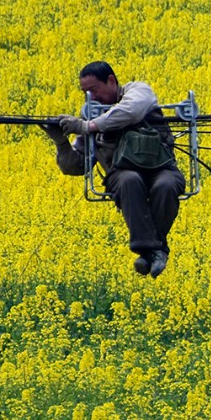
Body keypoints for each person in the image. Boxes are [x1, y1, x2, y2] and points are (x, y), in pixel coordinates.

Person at [42, 61, 185, 277]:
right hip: (121, 173)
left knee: (166, 185)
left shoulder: (138, 91)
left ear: (111, 81)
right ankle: (155, 250)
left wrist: (88, 126)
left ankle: (149, 252)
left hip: (162, 168)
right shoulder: (93, 118)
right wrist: (61, 142)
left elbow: (131, 110)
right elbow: (77, 165)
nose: (91, 96)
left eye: (94, 89)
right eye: (86, 92)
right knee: (130, 181)